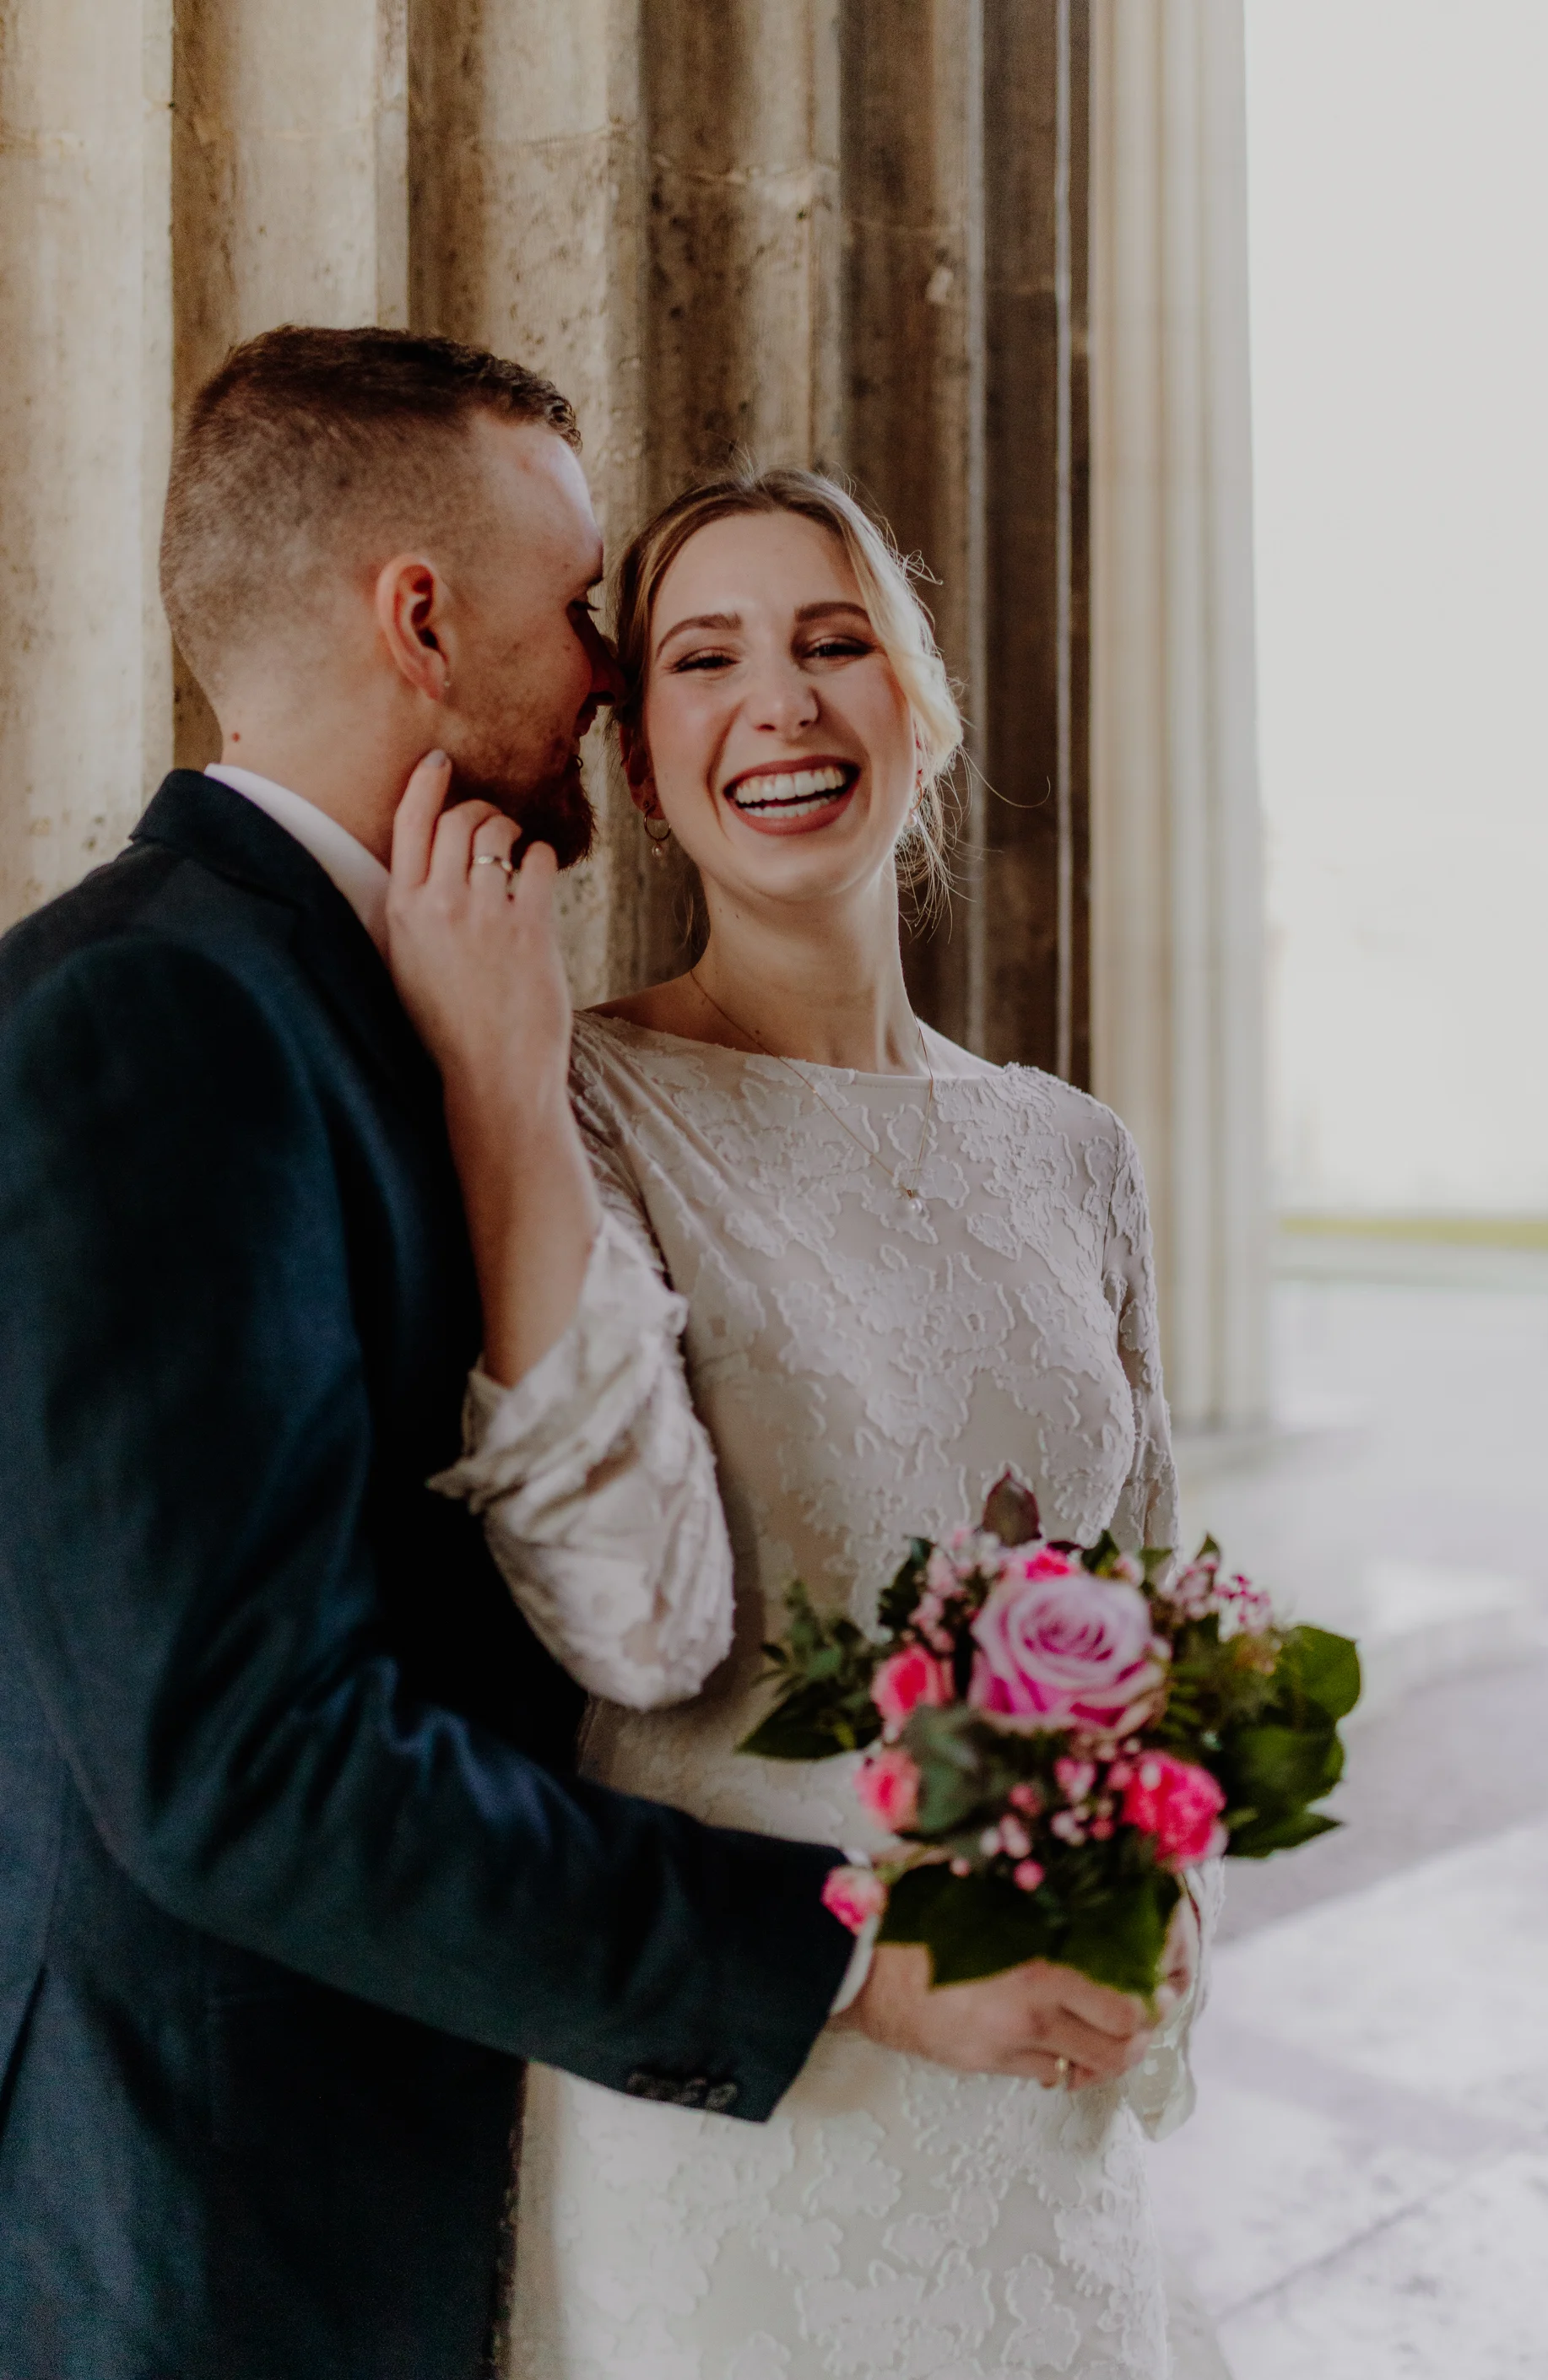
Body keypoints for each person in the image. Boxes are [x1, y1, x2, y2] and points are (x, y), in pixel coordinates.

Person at [0, 333, 1160, 2380]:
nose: (619, 673)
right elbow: (237, 1761)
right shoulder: (162, 1010)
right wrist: (849, 1960)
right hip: (232, 2212)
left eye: (830, 642)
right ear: (423, 623)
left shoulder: (346, 989)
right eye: (600, 621)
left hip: (549, 2121)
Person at [412, 467, 1229, 2378]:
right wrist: (494, 1078)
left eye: (831, 644)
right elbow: (599, 1591)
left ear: (916, 715)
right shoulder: (585, 1102)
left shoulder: (1073, 1152)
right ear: (643, 762)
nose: (777, 702)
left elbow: (1156, 1610)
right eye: (704, 659)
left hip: (1031, 2105)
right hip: (743, 2108)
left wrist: (1159, 1891)